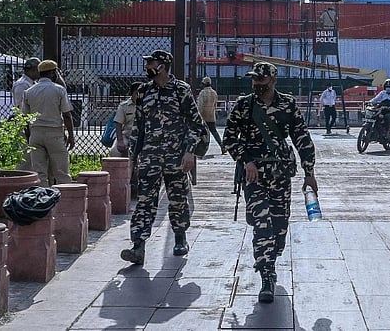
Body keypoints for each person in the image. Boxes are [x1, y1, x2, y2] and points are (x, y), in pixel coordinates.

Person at [223, 62, 317, 304]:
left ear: (273, 81)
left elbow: (301, 137)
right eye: (254, 82)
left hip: (281, 173)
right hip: (254, 175)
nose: (257, 87)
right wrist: (246, 161)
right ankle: (266, 274)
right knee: (262, 222)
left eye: (262, 83)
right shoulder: (244, 105)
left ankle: (272, 257)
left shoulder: (287, 104)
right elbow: (230, 138)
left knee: (280, 226)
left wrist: (309, 172)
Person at [120, 50, 208, 265]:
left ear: (164, 65)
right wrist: (134, 156)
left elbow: (196, 124)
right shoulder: (143, 91)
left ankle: (180, 237)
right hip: (150, 156)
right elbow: (138, 127)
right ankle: (138, 245)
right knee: (145, 201)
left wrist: (190, 153)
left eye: (151, 62)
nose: (148, 66)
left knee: (177, 198)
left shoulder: (181, 90)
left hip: (176, 156)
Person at [20, 59, 75, 186]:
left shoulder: (29, 91)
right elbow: (67, 114)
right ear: (53, 73)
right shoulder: (59, 90)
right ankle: (67, 200)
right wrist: (71, 136)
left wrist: (30, 136)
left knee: (39, 173)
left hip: (36, 134)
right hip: (54, 133)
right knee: (61, 172)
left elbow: (25, 118)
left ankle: (43, 200)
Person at [11, 57, 40, 171]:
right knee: (26, 157)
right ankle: (21, 179)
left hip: (31, 123)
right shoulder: (22, 85)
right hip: (25, 124)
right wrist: (27, 127)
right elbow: (21, 108)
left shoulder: (31, 83)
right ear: (32, 70)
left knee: (33, 156)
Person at [196, 76, 225, 153]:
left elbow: (200, 105)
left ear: (203, 84)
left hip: (203, 117)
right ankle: (222, 146)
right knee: (214, 132)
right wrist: (215, 113)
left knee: (201, 133)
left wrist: (198, 115)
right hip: (212, 116)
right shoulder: (214, 93)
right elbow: (215, 105)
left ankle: (200, 149)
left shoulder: (202, 93)